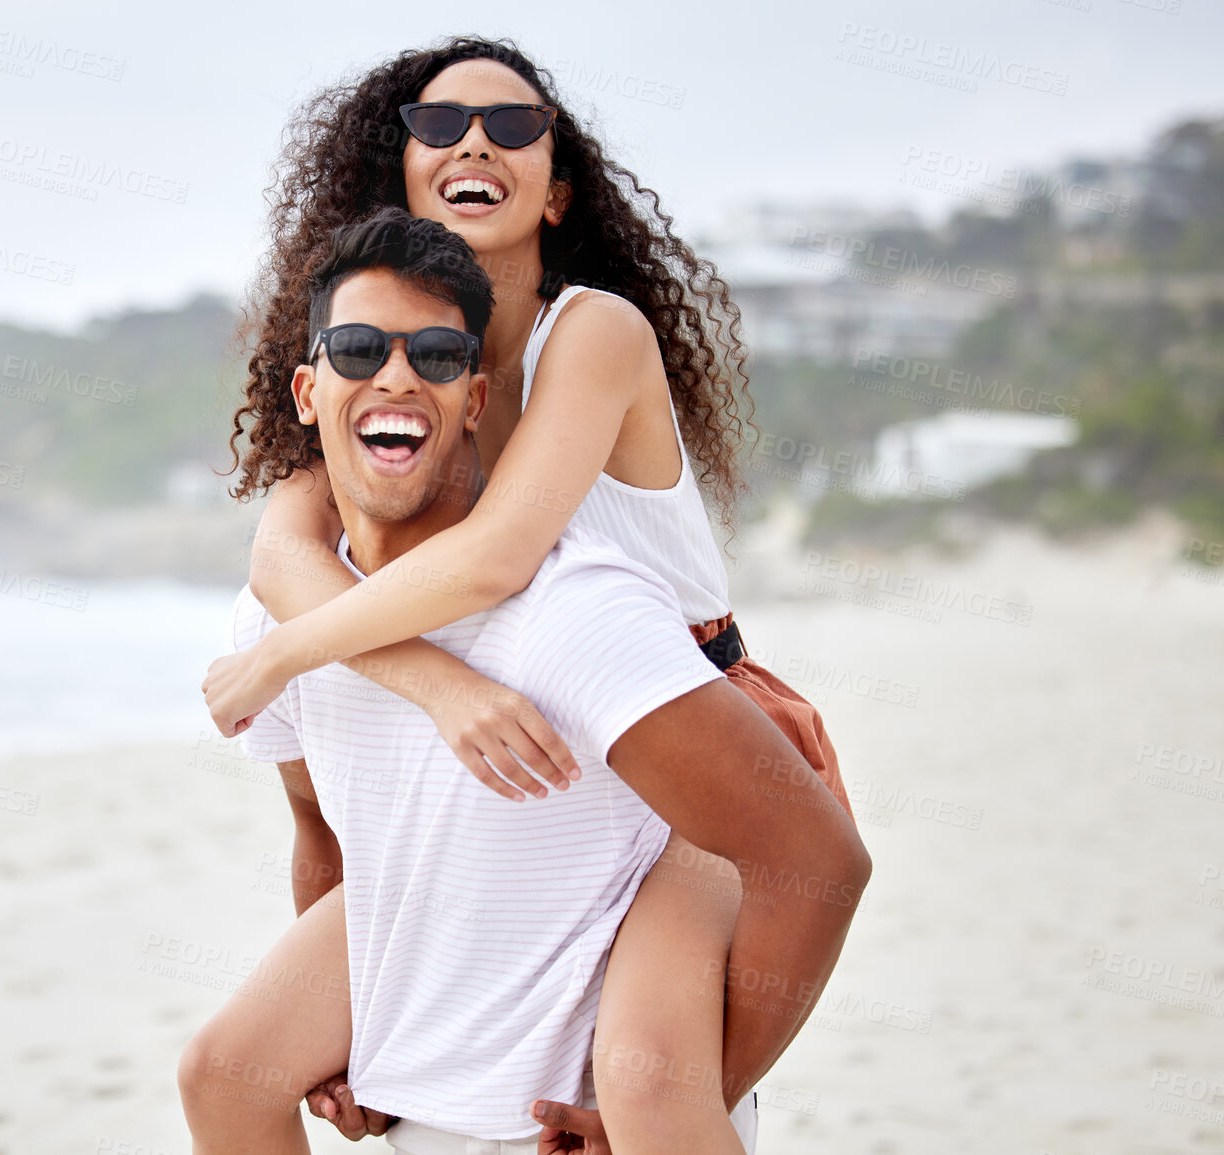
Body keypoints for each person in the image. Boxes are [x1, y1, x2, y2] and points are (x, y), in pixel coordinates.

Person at [201, 35, 857, 1144]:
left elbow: (496, 560)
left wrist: (278, 657)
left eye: (514, 127)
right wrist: (437, 690)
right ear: (397, 180)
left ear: (557, 193)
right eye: (439, 126)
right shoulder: (393, 377)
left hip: (680, 737)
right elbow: (284, 558)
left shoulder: (589, 333)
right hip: (542, 755)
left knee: (647, 1086)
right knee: (226, 1068)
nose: (474, 142)